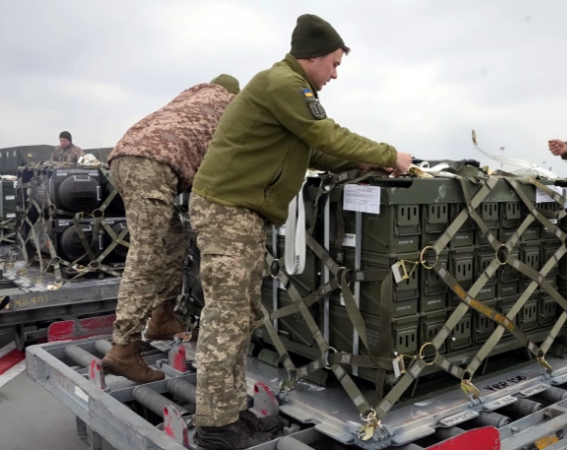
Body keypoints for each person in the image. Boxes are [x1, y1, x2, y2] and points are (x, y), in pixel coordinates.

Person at [188, 14, 412, 450]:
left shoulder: (289, 89)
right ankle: (215, 426)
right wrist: (390, 153)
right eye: (333, 63)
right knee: (227, 318)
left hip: (241, 213)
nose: (334, 74)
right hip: (227, 210)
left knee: (242, 315)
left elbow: (318, 152)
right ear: (311, 57)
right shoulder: (283, 84)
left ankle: (230, 412)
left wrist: (370, 164)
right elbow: (325, 133)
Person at [100, 75, 240, 384]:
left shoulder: (191, 98)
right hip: (152, 163)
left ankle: (162, 317)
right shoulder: (230, 105)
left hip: (126, 157)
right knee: (147, 255)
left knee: (173, 241)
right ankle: (123, 348)